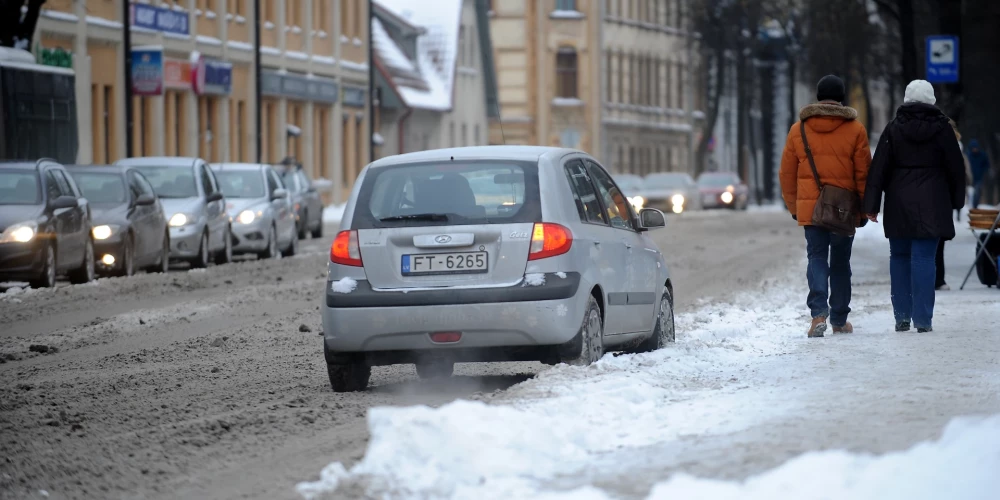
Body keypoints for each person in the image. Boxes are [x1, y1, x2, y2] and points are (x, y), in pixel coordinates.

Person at [863, 80, 966, 333]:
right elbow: (956, 169)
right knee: (924, 258)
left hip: (899, 201)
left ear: (907, 99)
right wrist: (957, 201)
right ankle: (923, 319)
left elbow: (879, 169)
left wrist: (871, 204)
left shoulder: (893, 129)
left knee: (898, 257)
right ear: (931, 99)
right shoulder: (943, 129)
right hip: (933, 201)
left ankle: (901, 316)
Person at [780, 75, 871, 338]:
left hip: (812, 210)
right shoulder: (855, 130)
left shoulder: (799, 130)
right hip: (844, 210)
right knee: (841, 262)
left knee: (816, 258)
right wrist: (863, 209)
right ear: (842, 98)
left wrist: (794, 206)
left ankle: (818, 315)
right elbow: (863, 173)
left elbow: (786, 173)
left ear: (818, 96)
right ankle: (840, 320)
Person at [935, 119, 966, 291]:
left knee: (931, 240)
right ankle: (939, 279)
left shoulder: (939, 141)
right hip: (944, 196)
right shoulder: (956, 145)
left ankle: (936, 278)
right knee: (939, 241)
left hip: (936, 193)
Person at [967, 139, 990, 209]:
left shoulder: (982, 155)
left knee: (977, 193)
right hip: (969, 178)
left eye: (975, 148)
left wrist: (983, 171)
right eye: (973, 148)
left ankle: (975, 206)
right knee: (970, 193)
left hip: (979, 177)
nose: (975, 149)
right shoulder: (968, 155)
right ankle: (969, 207)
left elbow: (987, 164)